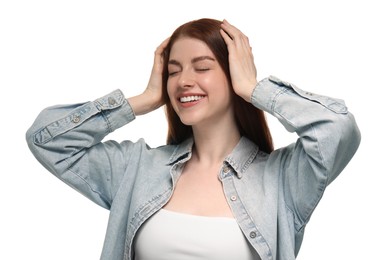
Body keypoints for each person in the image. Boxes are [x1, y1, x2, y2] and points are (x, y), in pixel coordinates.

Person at [26, 18, 361, 260]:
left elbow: (337, 129)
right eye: (173, 70)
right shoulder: (137, 168)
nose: (184, 80)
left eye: (202, 67)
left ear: (233, 74)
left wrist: (255, 89)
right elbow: (47, 140)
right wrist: (142, 100)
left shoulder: (283, 180)